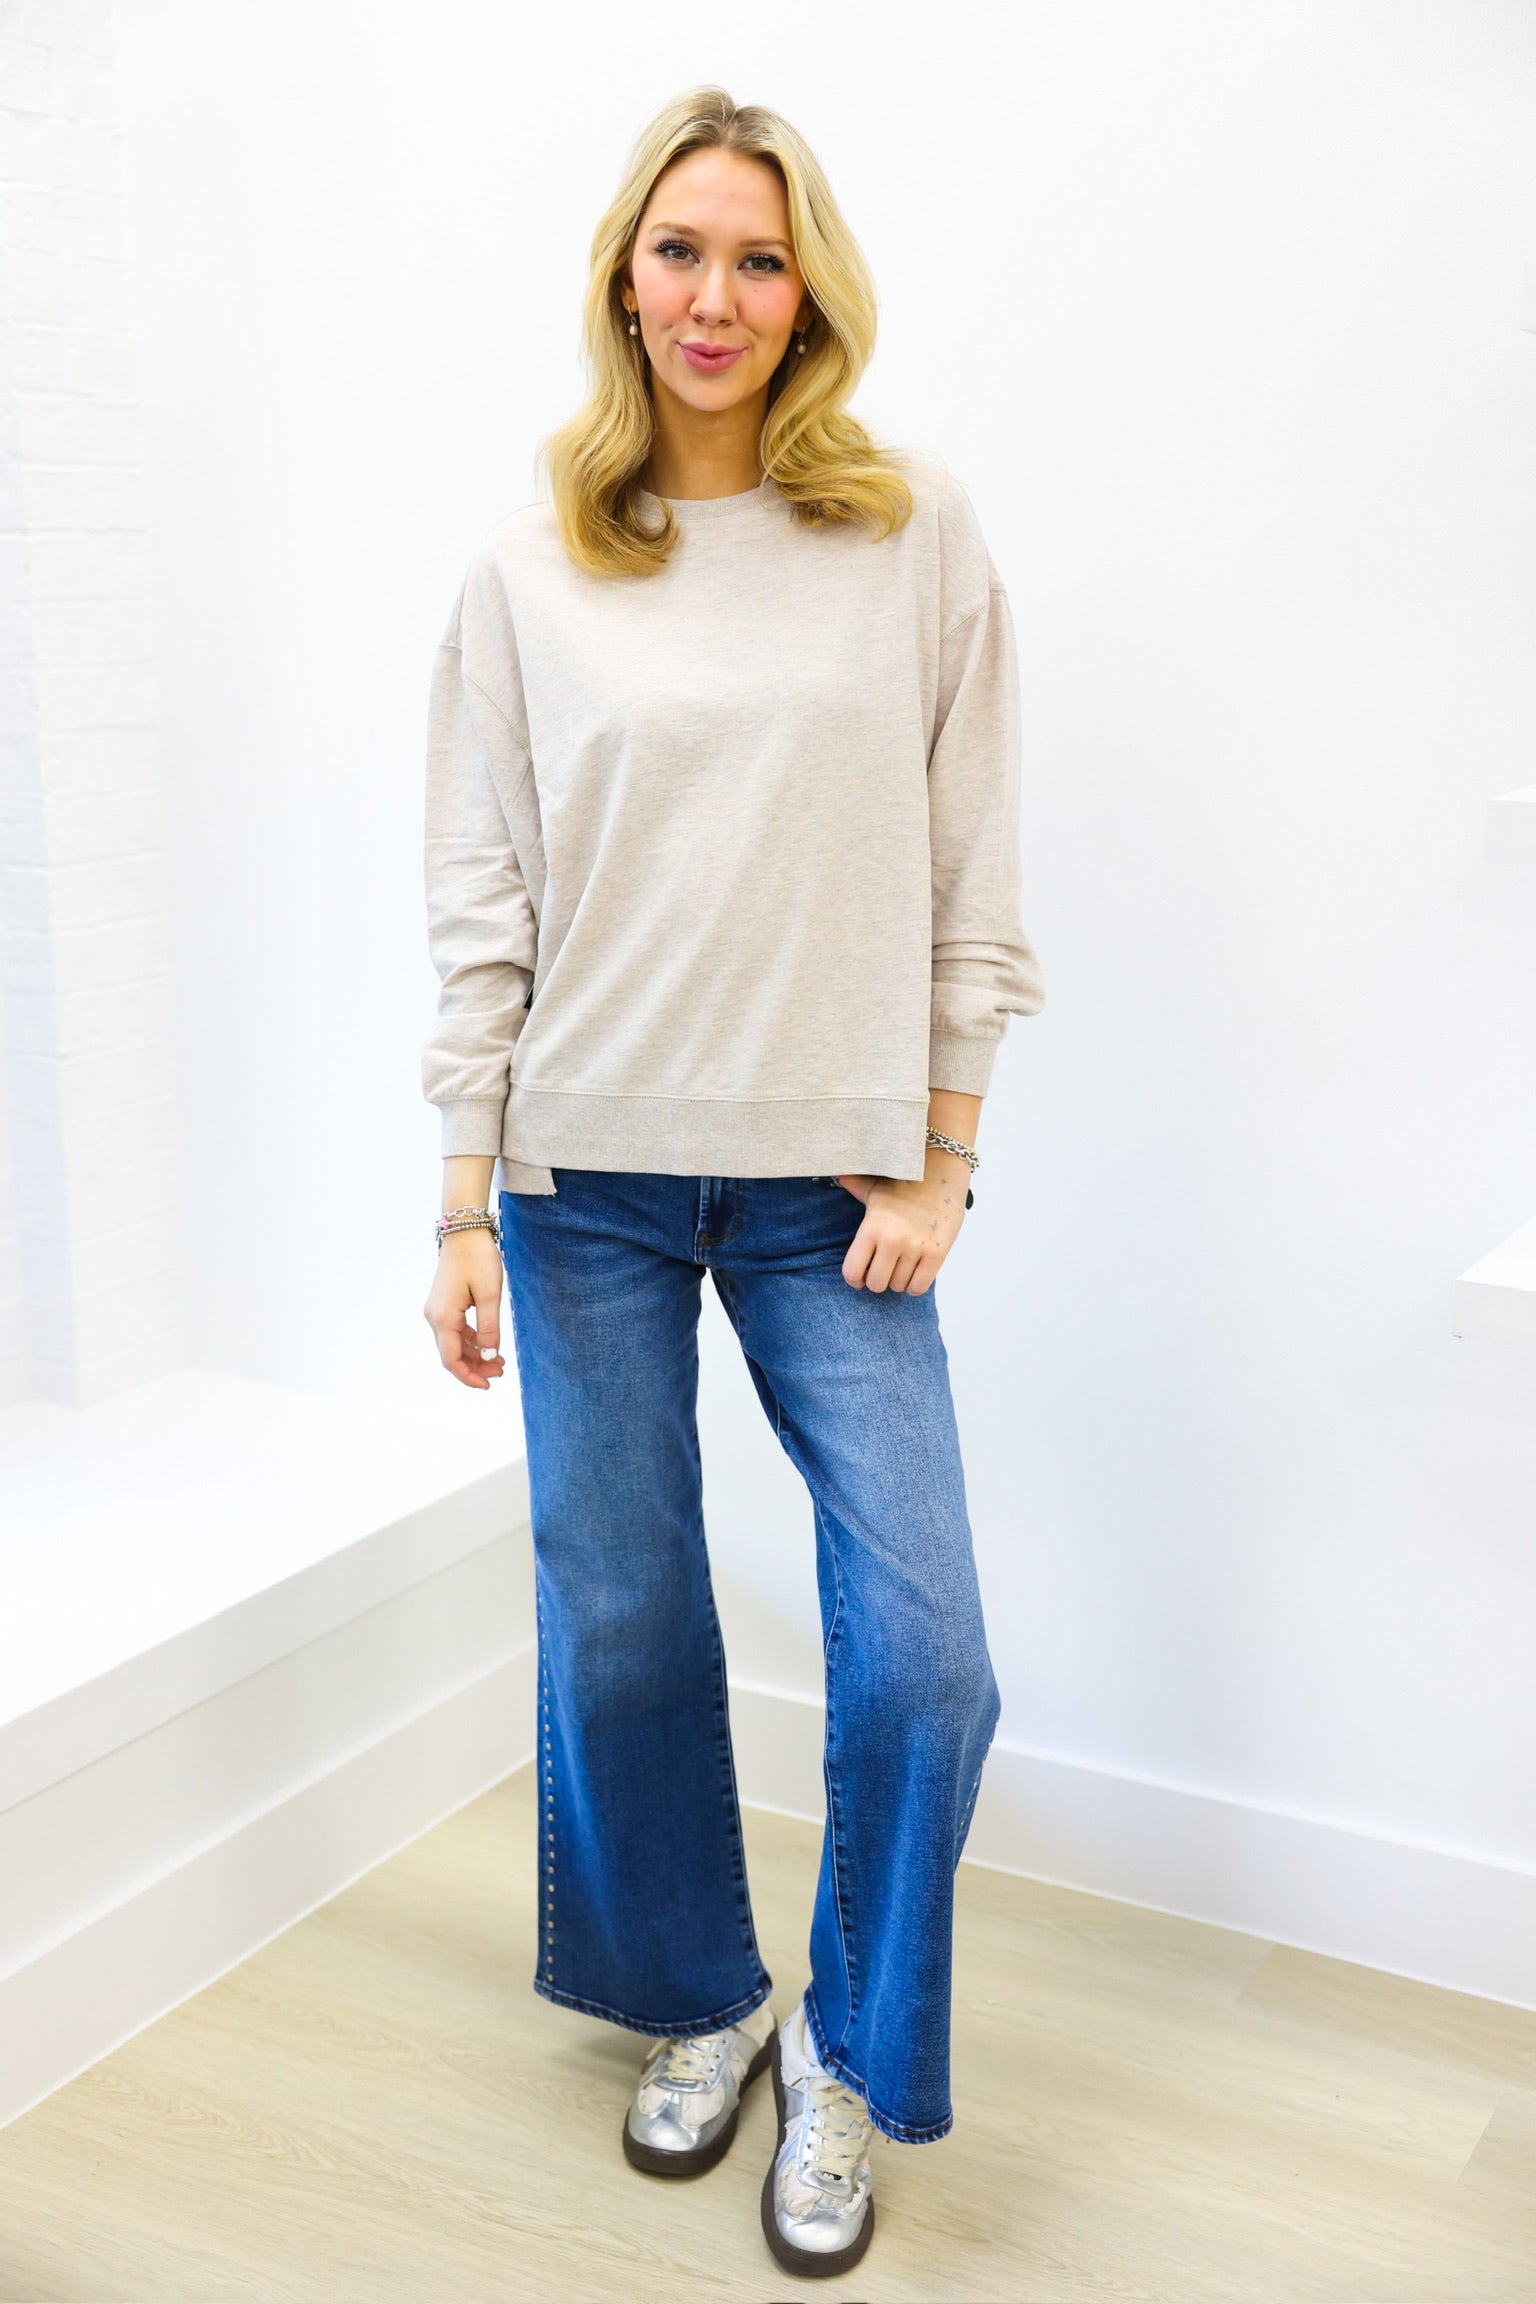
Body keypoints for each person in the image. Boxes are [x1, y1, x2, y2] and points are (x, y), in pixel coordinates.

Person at [420, 84, 1045, 2282]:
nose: (715, 296)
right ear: (623, 273)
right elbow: (485, 898)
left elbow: (975, 867)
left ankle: (853, 2065)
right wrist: (453, 1191)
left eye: (760, 259)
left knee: (931, 1658)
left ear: (813, 293)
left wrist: (948, 1146)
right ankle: (701, 1996)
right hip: (580, 1176)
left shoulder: (912, 535)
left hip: (833, 1188)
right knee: (616, 1628)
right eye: (680, 251)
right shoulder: (529, 567)